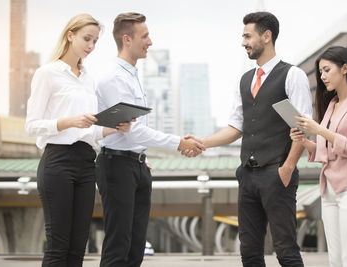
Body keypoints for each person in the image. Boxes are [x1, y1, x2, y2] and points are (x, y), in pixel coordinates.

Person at [186, 11, 312, 267]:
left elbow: (302, 127)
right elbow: (236, 127)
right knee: (250, 252)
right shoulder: (245, 80)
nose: (243, 42)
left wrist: (287, 168)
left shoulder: (292, 75)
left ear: (266, 36)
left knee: (285, 250)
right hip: (248, 174)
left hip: (277, 172)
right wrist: (203, 143)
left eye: (247, 35)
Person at [95, 12, 205, 267]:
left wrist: (139, 157)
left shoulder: (132, 75)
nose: (150, 42)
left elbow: (137, 129)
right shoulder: (114, 78)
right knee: (118, 246)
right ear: (127, 39)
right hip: (117, 166)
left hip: (135, 165)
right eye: (145, 36)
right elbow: (130, 130)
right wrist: (179, 142)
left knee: (135, 247)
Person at [25, 14, 132, 267]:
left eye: (95, 41)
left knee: (77, 248)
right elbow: (31, 126)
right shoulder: (47, 73)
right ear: (70, 35)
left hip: (86, 162)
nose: (90, 46)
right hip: (58, 162)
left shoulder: (88, 79)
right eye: (86, 38)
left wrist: (114, 128)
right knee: (58, 246)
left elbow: (90, 131)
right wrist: (69, 121)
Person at [290, 46, 347, 267]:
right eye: (320, 72)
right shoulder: (331, 104)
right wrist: (304, 141)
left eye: (327, 70)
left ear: (345, 68)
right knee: (335, 259)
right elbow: (326, 150)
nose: (322, 76)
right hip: (329, 189)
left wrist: (319, 130)